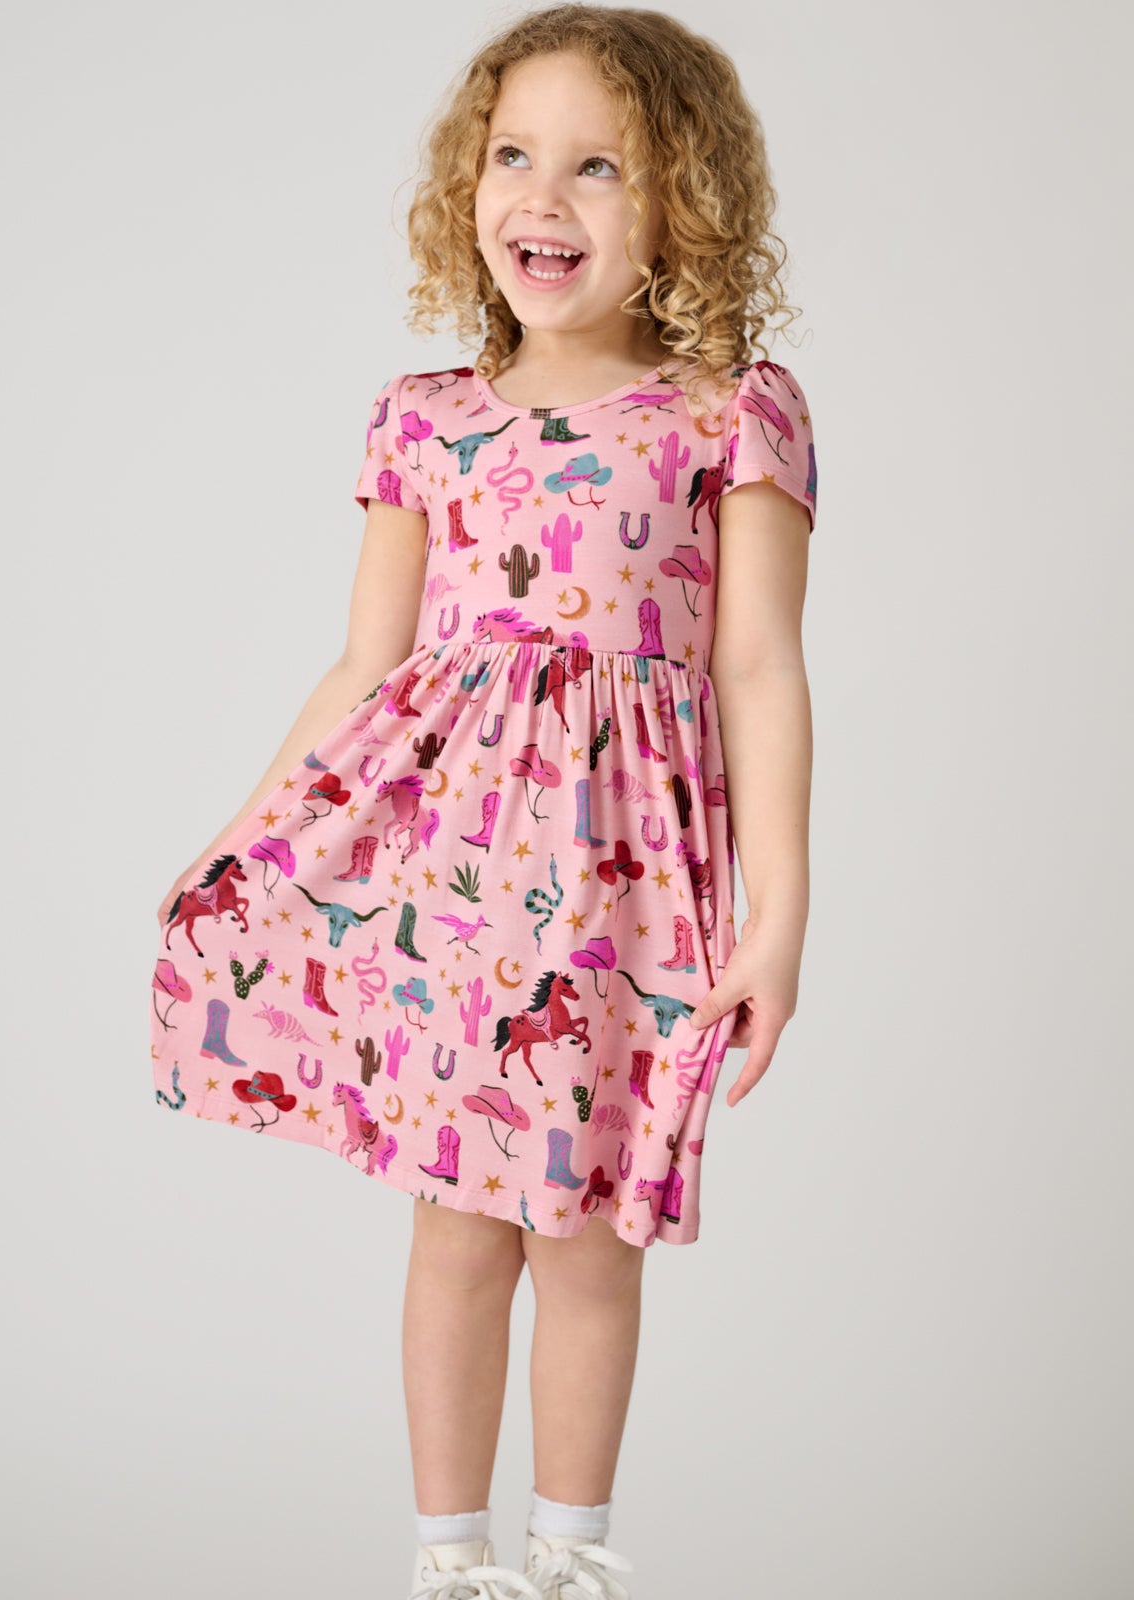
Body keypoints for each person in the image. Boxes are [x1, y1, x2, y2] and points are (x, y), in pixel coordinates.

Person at [150, 6, 818, 1597]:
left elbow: (758, 670)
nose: (545, 196)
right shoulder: (425, 418)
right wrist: (241, 835)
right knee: (455, 1228)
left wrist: (780, 916)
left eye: (600, 167)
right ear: (468, 185)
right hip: (447, 880)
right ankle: (450, 1565)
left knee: (586, 1235)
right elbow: (365, 666)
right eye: (514, 156)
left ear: (683, 203)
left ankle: (568, 1561)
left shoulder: (732, 411)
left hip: (626, 891)